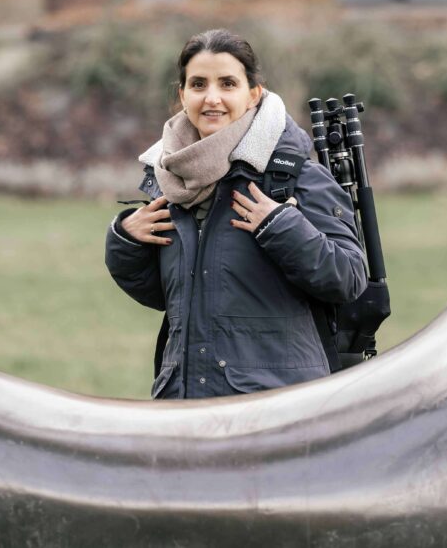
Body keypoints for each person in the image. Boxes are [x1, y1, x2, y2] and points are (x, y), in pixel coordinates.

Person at [105, 29, 367, 399]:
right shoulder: (169, 179)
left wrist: (281, 226)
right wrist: (126, 243)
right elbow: (178, 296)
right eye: (198, 84)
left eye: (228, 83)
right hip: (185, 405)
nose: (212, 98)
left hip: (275, 408)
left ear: (253, 94)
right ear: (182, 95)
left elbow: (348, 277)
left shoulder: (292, 175)